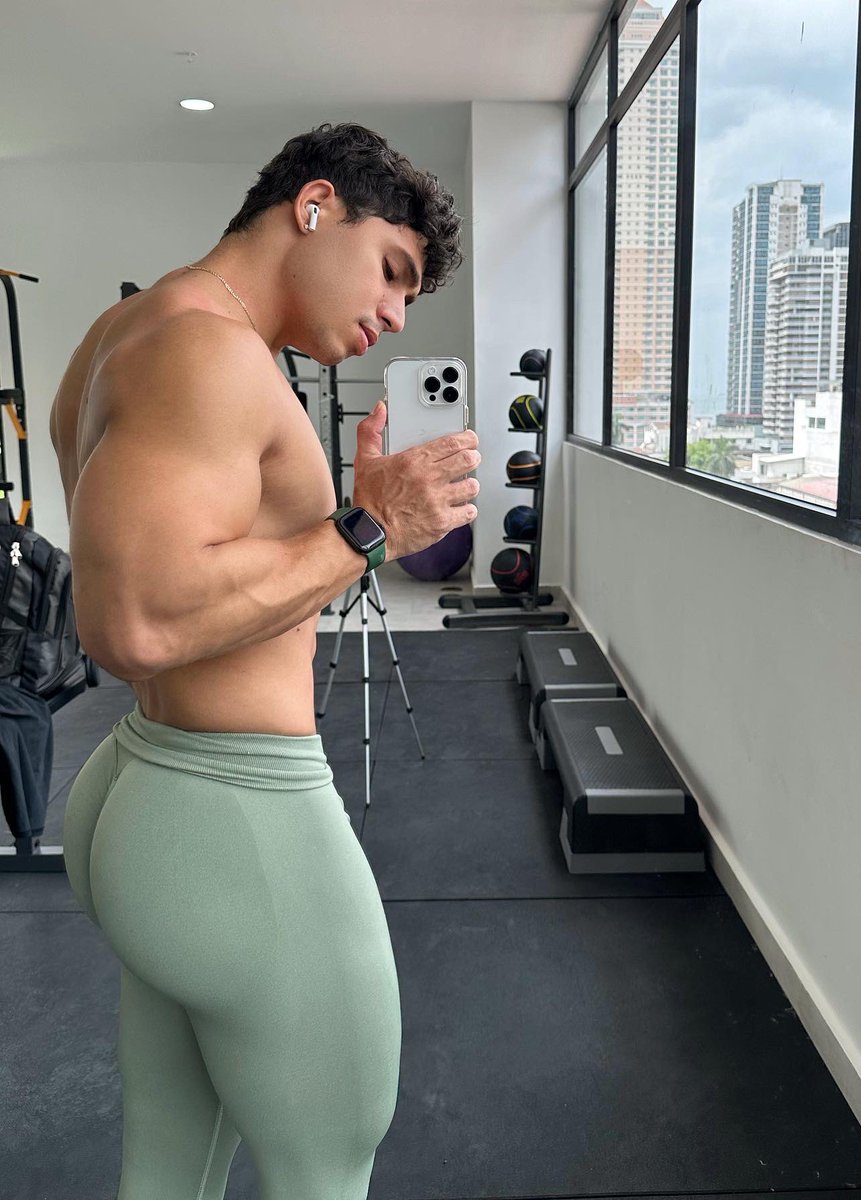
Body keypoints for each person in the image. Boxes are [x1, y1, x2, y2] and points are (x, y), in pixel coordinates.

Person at [48, 122, 481, 1200]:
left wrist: (347, 521)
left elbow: (189, 568)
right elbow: (135, 620)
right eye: (392, 269)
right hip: (232, 814)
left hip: (157, 788)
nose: (394, 312)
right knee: (328, 1162)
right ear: (315, 206)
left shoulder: (126, 329)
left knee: (169, 1167)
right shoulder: (209, 350)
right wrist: (368, 529)